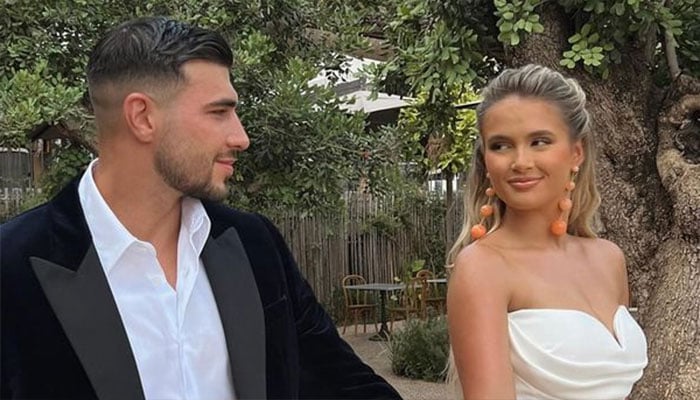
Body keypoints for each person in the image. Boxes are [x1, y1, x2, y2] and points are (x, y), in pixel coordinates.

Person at [0, 16, 402, 400]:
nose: (240, 137)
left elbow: (342, 383)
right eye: (218, 112)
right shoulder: (14, 267)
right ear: (142, 117)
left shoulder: (253, 244)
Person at [445, 64, 648, 400]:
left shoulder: (609, 258)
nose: (520, 161)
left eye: (539, 141)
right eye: (501, 145)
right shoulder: (482, 267)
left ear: (576, 152)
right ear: (486, 161)